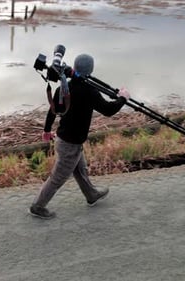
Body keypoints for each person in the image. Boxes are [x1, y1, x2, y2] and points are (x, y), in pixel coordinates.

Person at [29, 53, 131, 219]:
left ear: (74, 68)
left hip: (65, 139)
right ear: (90, 70)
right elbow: (109, 110)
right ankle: (38, 206)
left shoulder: (63, 87)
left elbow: (52, 112)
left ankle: (91, 195)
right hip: (70, 143)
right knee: (58, 178)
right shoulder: (89, 91)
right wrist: (123, 99)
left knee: (80, 169)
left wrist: (47, 131)